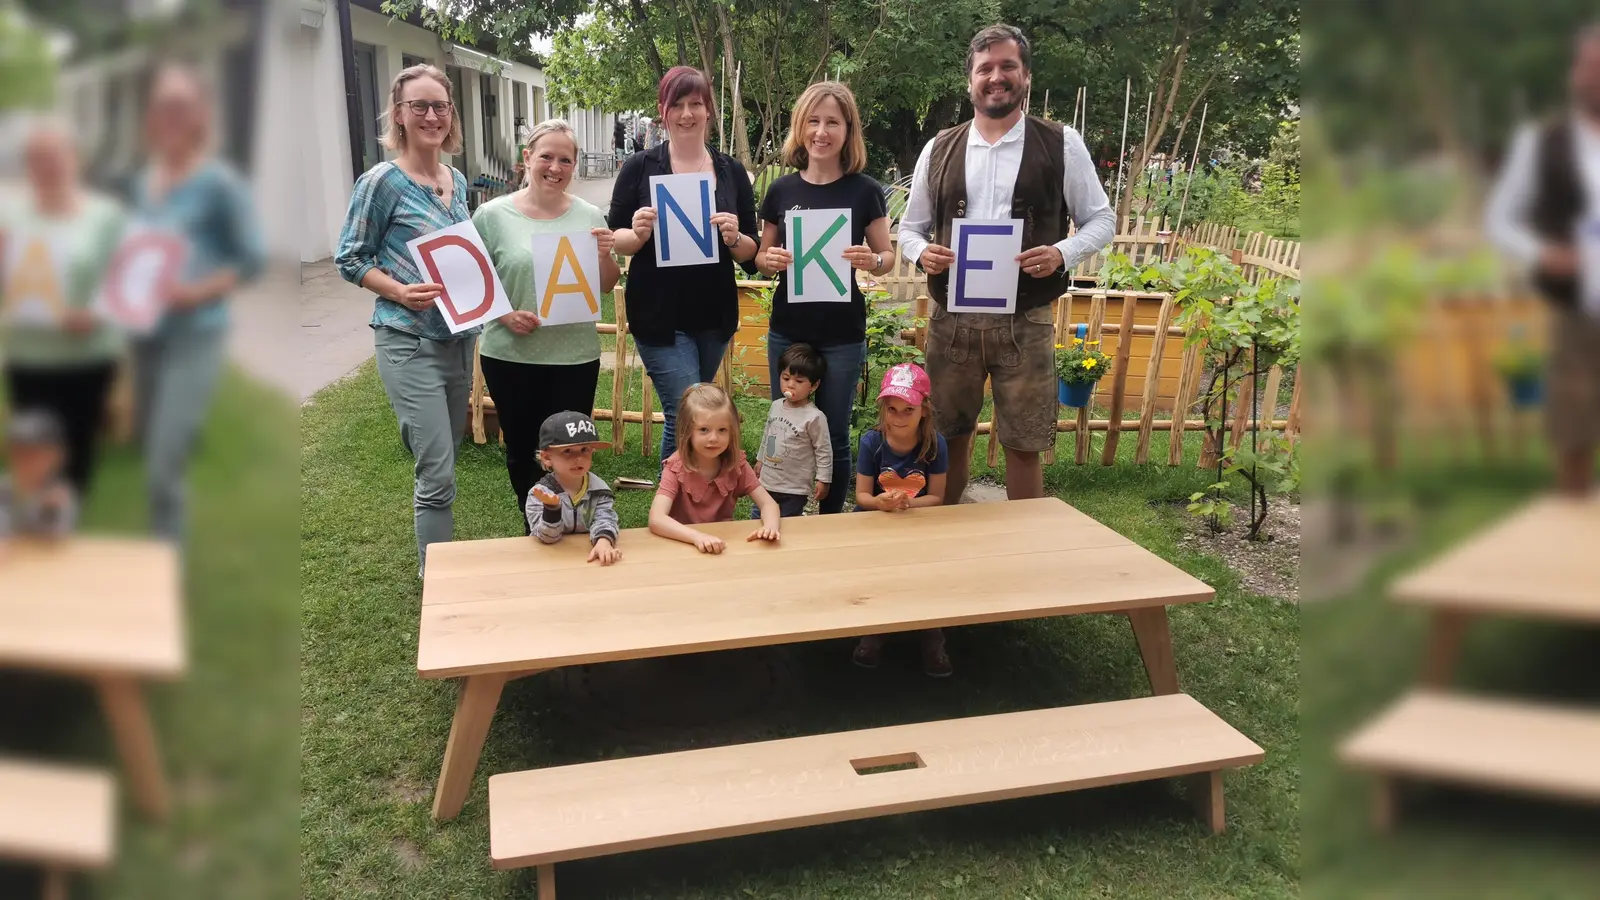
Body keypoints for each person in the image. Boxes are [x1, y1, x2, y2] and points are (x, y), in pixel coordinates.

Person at [898, 25, 1114, 506]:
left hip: (1027, 318)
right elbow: (909, 229)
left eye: (1007, 67)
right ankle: (948, 544)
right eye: (985, 69)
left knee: (1025, 442)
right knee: (946, 438)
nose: (996, 77)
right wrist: (920, 252)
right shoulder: (939, 148)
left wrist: (1062, 253)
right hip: (950, 320)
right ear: (970, 80)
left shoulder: (1062, 143)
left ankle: (1024, 558)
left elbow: (1102, 219)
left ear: (1026, 76)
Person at [335, 63, 473, 575]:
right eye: (420, 105)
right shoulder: (381, 182)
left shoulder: (456, 180)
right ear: (399, 114)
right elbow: (350, 257)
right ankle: (434, 579)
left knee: (444, 453)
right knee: (437, 471)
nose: (432, 115)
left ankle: (416, 429)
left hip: (458, 339)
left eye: (440, 105)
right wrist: (399, 290)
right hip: (406, 340)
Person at [131, 62, 264, 544]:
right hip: (144, 335)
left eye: (181, 107)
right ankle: (159, 551)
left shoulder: (219, 183)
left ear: (199, 116)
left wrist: (196, 291)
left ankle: (163, 571)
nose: (170, 116)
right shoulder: (143, 182)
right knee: (153, 455)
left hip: (197, 335)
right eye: (162, 106)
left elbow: (251, 259)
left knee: (165, 461)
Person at [754, 81, 894, 514]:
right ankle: (775, 511)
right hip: (788, 329)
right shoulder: (780, 190)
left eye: (832, 122)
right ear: (800, 128)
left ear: (847, 130)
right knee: (784, 421)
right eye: (813, 121)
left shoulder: (864, 190)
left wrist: (873, 261)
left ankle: (832, 521)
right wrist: (769, 259)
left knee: (832, 432)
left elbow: (888, 256)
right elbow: (760, 257)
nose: (821, 131)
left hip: (841, 332)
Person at [473, 119, 619, 527]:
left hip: (574, 357)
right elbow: (471, 283)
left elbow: (606, 286)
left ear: (575, 166)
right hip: (510, 355)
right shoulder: (491, 215)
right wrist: (504, 315)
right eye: (547, 157)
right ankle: (535, 521)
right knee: (522, 448)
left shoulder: (590, 214)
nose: (556, 167)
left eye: (565, 160)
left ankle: (570, 517)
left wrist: (606, 254)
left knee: (570, 447)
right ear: (527, 159)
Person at [609, 66, 759, 460]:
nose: (687, 114)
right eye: (677, 105)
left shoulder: (731, 171)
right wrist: (637, 233)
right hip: (659, 316)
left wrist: (734, 236)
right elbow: (615, 239)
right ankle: (672, 506)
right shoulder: (639, 167)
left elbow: (752, 252)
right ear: (664, 111)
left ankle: (688, 500)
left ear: (709, 110)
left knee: (692, 412)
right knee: (687, 412)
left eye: (696, 103)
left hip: (713, 315)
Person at [1485, 24, 1600, 496]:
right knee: (1573, 428)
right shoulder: (1542, 142)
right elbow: (1499, 220)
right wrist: (1543, 253)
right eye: (1593, 68)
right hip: (1577, 309)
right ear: (1576, 74)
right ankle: (1570, 530)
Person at [1, 117, 127, 497]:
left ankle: (67, 535)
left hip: (88, 357)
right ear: (28, 165)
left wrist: (98, 314)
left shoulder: (106, 215)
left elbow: (128, 285)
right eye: (38, 158)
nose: (49, 165)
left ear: (76, 159)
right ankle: (35, 536)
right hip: (29, 358)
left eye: (57, 155)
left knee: (77, 462)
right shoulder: (8, 217)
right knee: (33, 460)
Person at [851, 362, 951, 676]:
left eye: (908, 409)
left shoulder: (936, 445)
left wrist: (908, 504)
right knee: (877, 571)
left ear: (925, 409)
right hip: (875, 522)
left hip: (918, 522)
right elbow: (862, 496)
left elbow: (937, 497)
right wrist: (881, 503)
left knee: (928, 570)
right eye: (892, 409)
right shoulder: (872, 442)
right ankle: (875, 629)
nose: (899, 417)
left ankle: (931, 632)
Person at [648, 382, 781, 553]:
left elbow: (769, 504)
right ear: (687, 431)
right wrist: (697, 537)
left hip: (723, 545)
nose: (714, 438)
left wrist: (770, 527)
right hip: (680, 545)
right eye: (704, 430)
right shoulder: (675, 468)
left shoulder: (736, 463)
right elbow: (656, 518)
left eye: (722, 430)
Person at [527, 411, 622, 565]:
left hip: (587, 559)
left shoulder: (599, 490)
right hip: (548, 561)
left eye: (585, 449)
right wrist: (552, 509)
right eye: (568, 451)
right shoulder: (539, 495)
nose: (578, 458)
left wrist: (604, 541)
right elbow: (547, 538)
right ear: (547, 457)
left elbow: (605, 519)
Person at [754, 342, 832, 517]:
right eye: (786, 377)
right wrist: (760, 460)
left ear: (814, 386)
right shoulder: (775, 406)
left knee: (787, 526)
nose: (790, 385)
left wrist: (824, 479)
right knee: (757, 519)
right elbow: (767, 434)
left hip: (794, 489)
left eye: (799, 381)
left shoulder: (814, 417)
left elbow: (823, 449)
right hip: (766, 483)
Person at [0, 410, 77, 548]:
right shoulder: (4, 488)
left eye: (35, 455)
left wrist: (48, 511)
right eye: (19, 454)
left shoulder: (59, 493)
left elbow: (58, 537)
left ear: (56, 456)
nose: (26, 462)